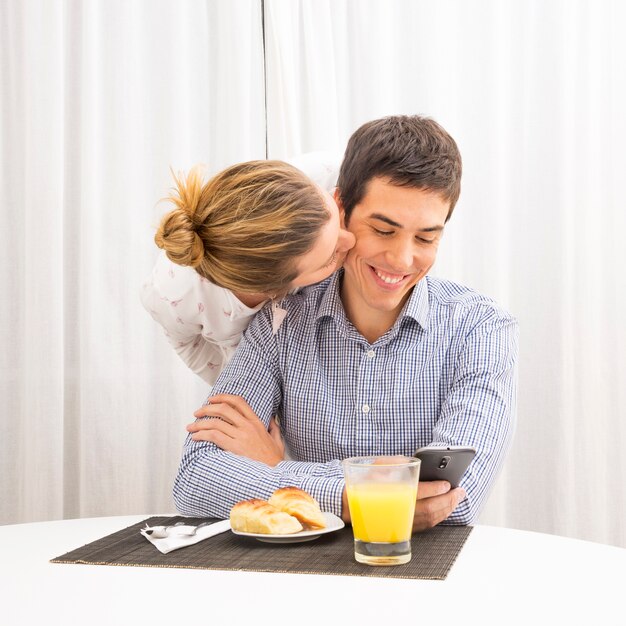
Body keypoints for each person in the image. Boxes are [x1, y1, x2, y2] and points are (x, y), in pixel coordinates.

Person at [173, 115, 518, 531]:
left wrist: (275, 468)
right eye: (383, 229)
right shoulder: (281, 320)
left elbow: (451, 503)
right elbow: (195, 480)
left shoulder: (481, 329)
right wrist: (351, 495)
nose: (402, 259)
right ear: (341, 209)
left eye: (426, 238)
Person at [141, 155, 353, 385]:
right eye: (331, 256)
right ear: (272, 286)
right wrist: (237, 383)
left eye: (338, 217)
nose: (351, 241)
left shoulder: (321, 176)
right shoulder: (171, 298)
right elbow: (186, 344)